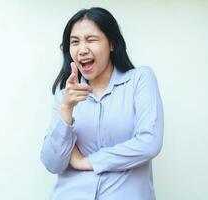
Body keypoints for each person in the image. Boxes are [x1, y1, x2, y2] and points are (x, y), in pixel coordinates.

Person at [40, 7, 164, 200]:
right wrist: (65, 110)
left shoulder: (140, 79)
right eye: (75, 42)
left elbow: (149, 143)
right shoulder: (65, 98)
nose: (82, 50)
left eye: (91, 39)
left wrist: (85, 161)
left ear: (112, 44)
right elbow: (52, 163)